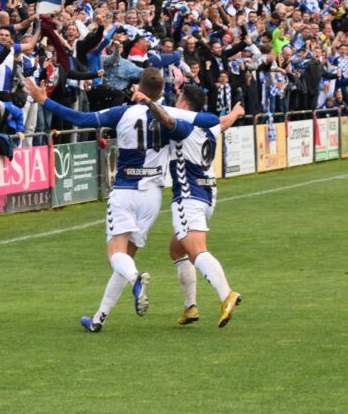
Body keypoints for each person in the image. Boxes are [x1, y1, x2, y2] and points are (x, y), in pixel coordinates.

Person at [24, 69, 220, 332]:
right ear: (162, 93)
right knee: (126, 255)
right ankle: (98, 318)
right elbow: (209, 119)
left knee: (116, 255)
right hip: (152, 196)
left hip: (126, 189)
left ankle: (136, 278)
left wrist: (44, 100)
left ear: (137, 87)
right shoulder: (170, 114)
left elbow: (81, 119)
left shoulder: (122, 112)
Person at [149, 85, 245, 328]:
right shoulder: (208, 126)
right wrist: (236, 112)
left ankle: (226, 295)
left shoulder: (182, 126)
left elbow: (164, 118)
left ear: (182, 104)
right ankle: (190, 306)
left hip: (188, 196)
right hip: (208, 195)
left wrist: (147, 102)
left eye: (178, 98)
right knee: (177, 250)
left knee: (197, 251)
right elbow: (224, 122)